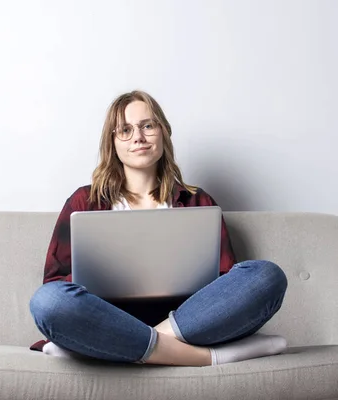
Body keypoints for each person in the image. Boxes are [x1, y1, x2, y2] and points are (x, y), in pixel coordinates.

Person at [28, 90, 288, 366]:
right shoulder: (85, 201)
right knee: (48, 302)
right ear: (112, 143)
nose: (138, 137)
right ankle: (204, 358)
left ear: (163, 132)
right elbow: (55, 281)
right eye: (125, 130)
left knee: (267, 276)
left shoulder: (197, 201)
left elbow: (224, 283)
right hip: (104, 319)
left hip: (188, 322)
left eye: (147, 126)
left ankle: (132, 346)